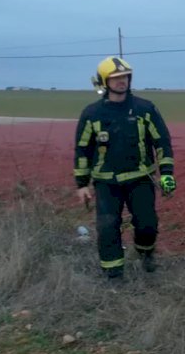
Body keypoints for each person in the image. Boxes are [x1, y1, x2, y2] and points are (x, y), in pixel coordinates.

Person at [73, 57, 176, 279]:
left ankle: (145, 254)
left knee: (147, 224)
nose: (122, 81)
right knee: (108, 227)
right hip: (106, 183)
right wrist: (81, 184)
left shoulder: (145, 109)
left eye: (125, 77)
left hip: (141, 179)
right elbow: (83, 149)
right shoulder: (91, 114)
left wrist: (167, 174)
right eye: (116, 78)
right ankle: (114, 275)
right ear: (103, 82)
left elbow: (162, 143)